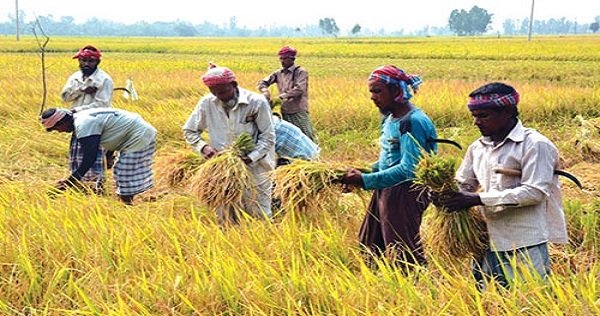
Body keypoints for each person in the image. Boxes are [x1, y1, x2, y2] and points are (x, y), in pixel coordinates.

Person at [435, 82, 568, 289]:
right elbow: (465, 183)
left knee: (529, 299)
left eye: (483, 116)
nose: (476, 122)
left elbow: (534, 192)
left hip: (524, 240)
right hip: (485, 239)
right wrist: (445, 194)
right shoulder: (478, 147)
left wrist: (477, 199)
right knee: (489, 300)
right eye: (474, 116)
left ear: (507, 112)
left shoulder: (535, 145)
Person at [341, 65, 437, 270]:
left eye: (377, 91)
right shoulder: (390, 118)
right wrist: (365, 171)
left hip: (406, 191)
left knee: (403, 250)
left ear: (396, 92)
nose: (372, 97)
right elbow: (388, 160)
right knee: (370, 243)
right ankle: (379, 287)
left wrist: (365, 180)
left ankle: (417, 289)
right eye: (371, 91)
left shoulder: (412, 122)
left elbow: (410, 169)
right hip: (386, 187)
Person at [183, 64, 276, 224]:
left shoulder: (256, 102)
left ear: (234, 85)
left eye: (223, 91)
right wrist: (204, 148)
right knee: (225, 214)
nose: (220, 96)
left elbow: (268, 137)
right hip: (223, 170)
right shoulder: (207, 103)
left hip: (256, 167)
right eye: (214, 92)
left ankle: (261, 244)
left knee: (259, 213)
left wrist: (250, 158)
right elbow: (189, 131)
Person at [40, 107, 157, 205]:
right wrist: (108, 155)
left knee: (123, 171)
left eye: (56, 128)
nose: (59, 132)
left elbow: (89, 159)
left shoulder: (84, 124)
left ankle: (127, 207)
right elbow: (113, 132)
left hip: (139, 134)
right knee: (122, 170)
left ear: (62, 122)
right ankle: (126, 201)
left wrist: (69, 183)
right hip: (132, 133)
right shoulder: (81, 118)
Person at [60, 45, 114, 193]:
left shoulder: (104, 80)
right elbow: (65, 97)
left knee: (94, 154)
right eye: (83, 60)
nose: (86, 64)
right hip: (77, 122)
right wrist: (81, 90)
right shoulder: (75, 78)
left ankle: (96, 187)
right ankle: (78, 186)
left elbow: (101, 104)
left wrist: (76, 110)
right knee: (76, 153)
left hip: (96, 122)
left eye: (90, 61)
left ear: (97, 62)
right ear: (79, 61)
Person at [258, 46, 316, 141]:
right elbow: (263, 82)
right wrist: (264, 90)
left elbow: (299, 89)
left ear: (292, 59)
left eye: (285, 58)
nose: (282, 61)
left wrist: (281, 97)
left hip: (298, 110)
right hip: (285, 110)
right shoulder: (278, 73)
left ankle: (314, 154)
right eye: (281, 58)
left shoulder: (300, 72)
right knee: (290, 137)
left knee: (306, 135)